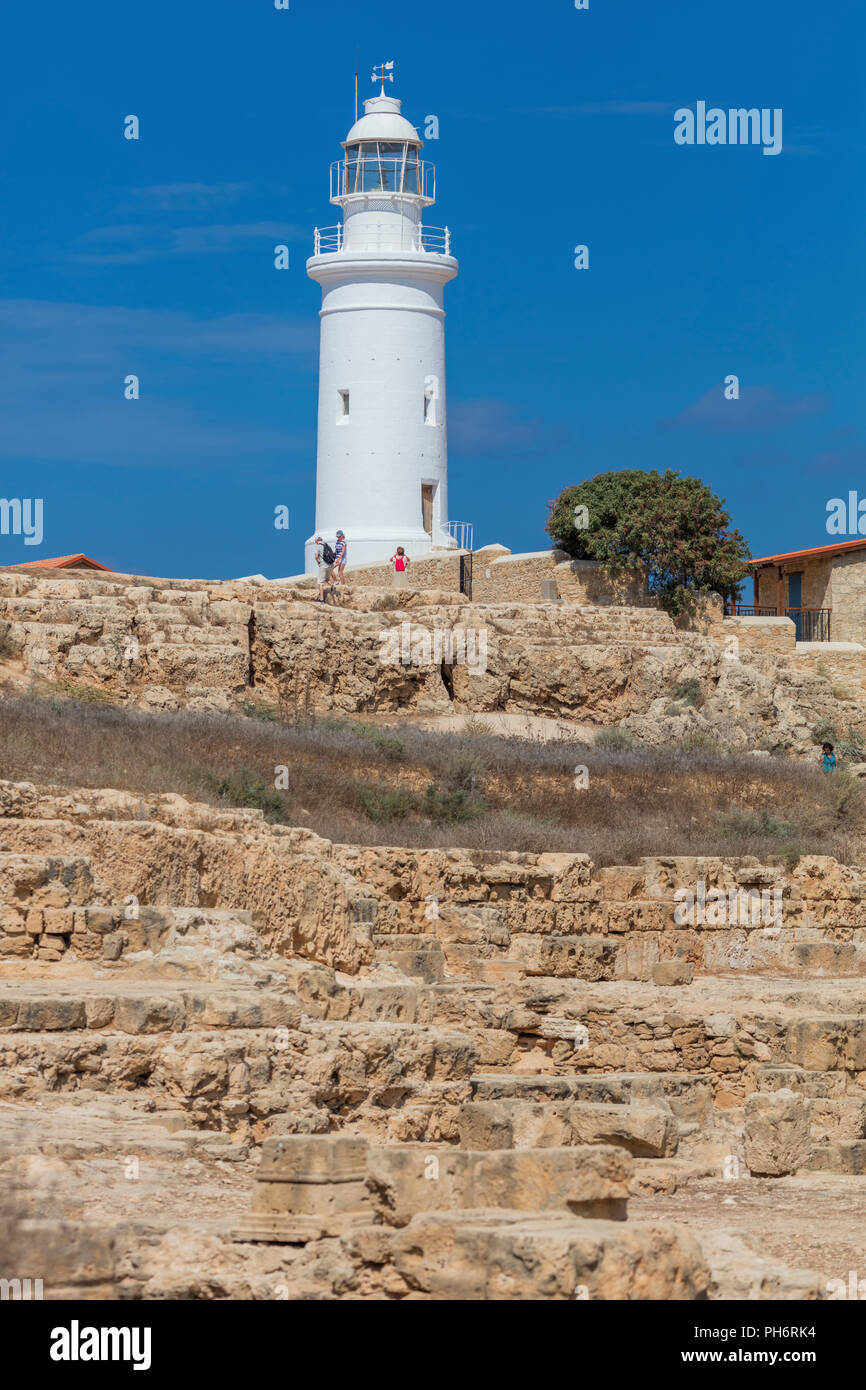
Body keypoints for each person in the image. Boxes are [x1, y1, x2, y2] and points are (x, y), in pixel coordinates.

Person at [314, 535, 333, 602]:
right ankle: (333, 585)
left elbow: (316, 557)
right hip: (330, 565)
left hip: (323, 566)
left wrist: (318, 563)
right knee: (326, 579)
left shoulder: (318, 546)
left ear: (317, 540)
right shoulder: (326, 545)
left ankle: (321, 599)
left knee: (320, 583)